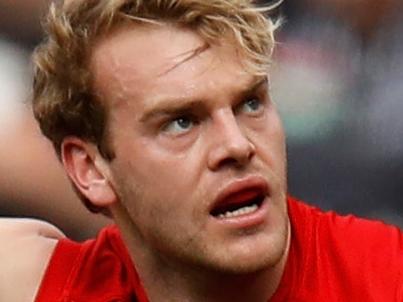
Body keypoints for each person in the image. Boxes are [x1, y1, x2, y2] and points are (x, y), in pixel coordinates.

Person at [0, 0, 402, 301]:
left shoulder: (384, 277)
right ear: (90, 169)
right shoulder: (36, 280)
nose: (236, 145)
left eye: (250, 104)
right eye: (182, 122)